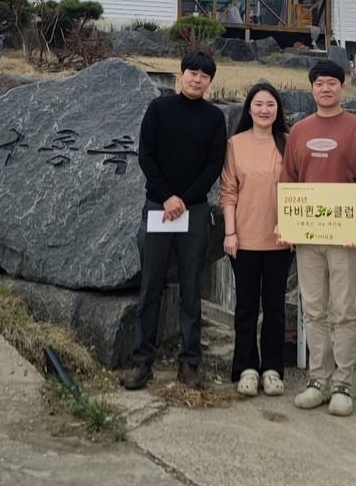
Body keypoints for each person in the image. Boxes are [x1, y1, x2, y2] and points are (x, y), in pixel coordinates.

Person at [123, 50, 227, 391]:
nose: (197, 79)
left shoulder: (214, 118)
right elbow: (146, 155)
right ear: (180, 74)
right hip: (158, 206)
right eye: (192, 72)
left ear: (210, 81)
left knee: (191, 288)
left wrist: (184, 199)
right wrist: (167, 196)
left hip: (194, 210)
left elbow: (214, 165)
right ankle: (142, 360)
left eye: (204, 75)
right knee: (150, 285)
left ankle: (189, 362)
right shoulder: (159, 108)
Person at [280, 60, 356, 417]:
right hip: (306, 236)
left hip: (344, 234)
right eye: (319, 83)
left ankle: (343, 383)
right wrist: (286, 223)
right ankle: (318, 380)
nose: (325, 88)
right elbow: (288, 181)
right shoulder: (300, 131)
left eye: (332, 83)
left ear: (342, 88)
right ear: (312, 89)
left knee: (344, 310)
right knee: (314, 310)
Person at [220, 83, 293, 397]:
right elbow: (228, 192)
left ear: (278, 110)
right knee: (246, 306)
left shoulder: (289, 143)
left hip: (281, 241)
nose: (265, 110)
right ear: (249, 108)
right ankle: (246, 367)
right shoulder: (235, 144)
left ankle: (273, 369)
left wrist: (292, 227)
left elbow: (299, 189)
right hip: (244, 240)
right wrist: (230, 232)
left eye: (271, 104)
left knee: (276, 306)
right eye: (259, 104)